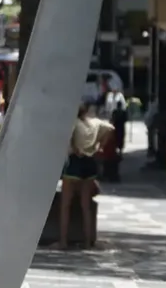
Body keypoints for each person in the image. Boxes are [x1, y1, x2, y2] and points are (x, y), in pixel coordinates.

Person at [54, 103, 113, 249]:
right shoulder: (95, 123)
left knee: (66, 204)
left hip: (75, 162)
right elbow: (111, 129)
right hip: (90, 163)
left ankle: (63, 241)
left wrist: (74, 148)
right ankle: (87, 242)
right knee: (85, 206)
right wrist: (100, 145)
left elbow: (69, 139)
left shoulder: (73, 123)